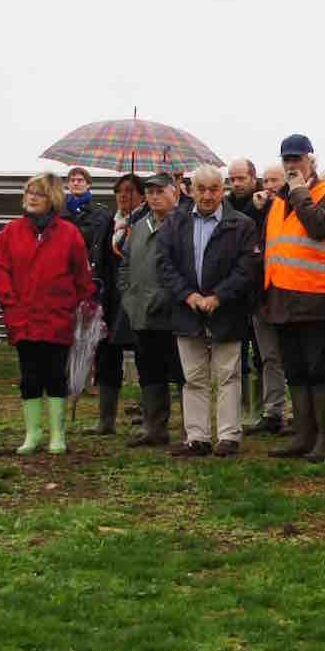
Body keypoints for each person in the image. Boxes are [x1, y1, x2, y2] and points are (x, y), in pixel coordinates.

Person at [157, 165, 259, 457]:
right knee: (193, 377)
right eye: (201, 189)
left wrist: (219, 297)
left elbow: (247, 268)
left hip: (227, 312)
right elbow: (164, 264)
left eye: (214, 189)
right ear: (190, 189)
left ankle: (229, 437)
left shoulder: (241, 225)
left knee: (228, 376)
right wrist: (188, 295)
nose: (207, 195)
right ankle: (197, 437)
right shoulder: (175, 223)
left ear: (222, 190)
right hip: (187, 311)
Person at [0, 173, 95, 455]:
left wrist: (85, 307)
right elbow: (0, 270)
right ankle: (33, 433)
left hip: (58, 317)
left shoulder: (69, 234)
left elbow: (81, 274)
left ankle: (58, 434)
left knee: (55, 374)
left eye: (40, 193)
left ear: (53, 199)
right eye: (29, 192)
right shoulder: (10, 232)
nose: (33, 197)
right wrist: (9, 302)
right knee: (30, 375)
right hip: (22, 316)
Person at [262, 134, 325, 461]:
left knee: (317, 370)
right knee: (295, 370)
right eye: (287, 159)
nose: (291, 165)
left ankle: (323, 440)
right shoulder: (279, 200)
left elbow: (319, 227)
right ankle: (303, 436)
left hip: (314, 297)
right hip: (282, 298)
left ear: (312, 159)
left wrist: (299, 191)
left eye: (297, 158)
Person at [119, 173, 186, 447]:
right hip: (141, 312)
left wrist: (168, 294)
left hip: (174, 314)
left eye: (160, 191)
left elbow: (188, 267)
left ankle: (191, 429)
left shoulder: (185, 224)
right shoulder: (139, 225)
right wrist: (127, 294)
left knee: (183, 374)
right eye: (150, 192)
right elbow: (125, 262)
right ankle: (154, 427)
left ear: (175, 193)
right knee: (149, 371)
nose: (154, 197)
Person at [232, 159, 289, 435]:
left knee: (291, 357)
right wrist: (253, 210)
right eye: (266, 181)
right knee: (268, 357)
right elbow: (244, 240)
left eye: (274, 181)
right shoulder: (255, 209)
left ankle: (296, 414)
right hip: (261, 294)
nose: (269, 187)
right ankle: (272, 411)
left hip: (290, 293)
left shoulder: (294, 207)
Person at [90, 173, 143, 434]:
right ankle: (106, 419)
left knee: (145, 356)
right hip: (108, 299)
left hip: (135, 299)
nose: (124, 195)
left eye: (130, 191)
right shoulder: (109, 223)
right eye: (119, 191)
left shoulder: (145, 223)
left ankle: (150, 417)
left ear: (141, 195)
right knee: (107, 355)